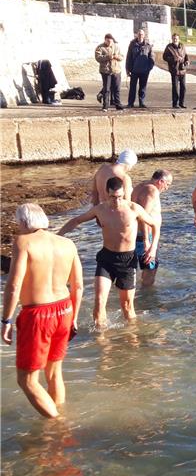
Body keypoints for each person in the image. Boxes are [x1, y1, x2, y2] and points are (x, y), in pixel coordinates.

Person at [2, 204, 83, 418]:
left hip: (38, 314)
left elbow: (13, 285)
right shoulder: (67, 243)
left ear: (24, 222)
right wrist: (74, 317)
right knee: (55, 373)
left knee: (27, 380)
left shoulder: (23, 242)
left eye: (18, 223)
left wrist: (6, 321)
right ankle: (61, 419)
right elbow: (78, 286)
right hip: (65, 309)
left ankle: (57, 427)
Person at [58, 177, 159, 328]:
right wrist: (57, 236)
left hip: (127, 260)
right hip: (106, 258)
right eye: (112, 197)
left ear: (124, 193)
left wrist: (152, 247)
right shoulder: (100, 209)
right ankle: (103, 344)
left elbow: (154, 224)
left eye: (119, 197)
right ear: (106, 194)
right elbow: (76, 220)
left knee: (127, 307)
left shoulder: (133, 208)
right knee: (99, 302)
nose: (116, 201)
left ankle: (133, 340)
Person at [131, 170, 173, 287]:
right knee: (150, 272)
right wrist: (147, 242)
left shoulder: (140, 186)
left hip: (135, 235)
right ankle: (146, 301)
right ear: (161, 181)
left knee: (138, 271)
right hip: (144, 237)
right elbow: (143, 216)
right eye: (167, 184)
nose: (167, 188)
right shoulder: (152, 191)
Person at [95, 33, 124, 112]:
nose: (110, 42)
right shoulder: (100, 47)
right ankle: (105, 105)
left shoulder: (116, 47)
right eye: (108, 41)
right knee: (106, 89)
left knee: (117, 88)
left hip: (116, 70)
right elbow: (98, 58)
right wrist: (108, 57)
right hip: (106, 71)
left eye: (111, 41)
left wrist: (116, 57)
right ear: (105, 40)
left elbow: (122, 57)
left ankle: (118, 104)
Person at [125, 29, 154, 108]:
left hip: (144, 71)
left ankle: (142, 102)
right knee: (132, 88)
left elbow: (151, 58)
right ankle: (130, 103)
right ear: (137, 35)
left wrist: (149, 68)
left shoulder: (148, 45)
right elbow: (129, 57)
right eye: (139, 34)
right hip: (134, 70)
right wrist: (127, 69)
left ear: (144, 35)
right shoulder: (132, 44)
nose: (140, 35)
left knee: (143, 88)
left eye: (142, 34)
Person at [163, 33, 189, 109]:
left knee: (183, 87)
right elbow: (164, 57)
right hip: (174, 70)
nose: (175, 39)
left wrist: (187, 61)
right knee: (175, 88)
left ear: (179, 39)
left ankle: (182, 103)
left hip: (182, 70)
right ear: (172, 39)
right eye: (174, 38)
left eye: (176, 38)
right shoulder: (169, 47)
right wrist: (174, 59)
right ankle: (175, 104)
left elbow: (186, 55)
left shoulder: (182, 46)